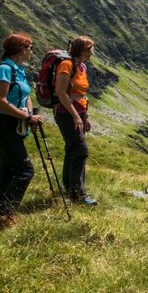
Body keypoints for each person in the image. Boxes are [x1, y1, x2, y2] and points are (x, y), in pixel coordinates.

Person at [0, 33, 44, 228]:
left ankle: (0, 213)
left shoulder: (18, 70)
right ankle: (8, 212)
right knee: (25, 171)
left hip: (14, 125)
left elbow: (25, 95)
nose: (32, 51)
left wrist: (30, 114)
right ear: (21, 49)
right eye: (30, 47)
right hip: (2, 125)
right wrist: (27, 117)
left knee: (8, 169)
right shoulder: (4, 70)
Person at [54, 36, 97, 206]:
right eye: (91, 48)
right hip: (66, 114)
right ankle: (78, 194)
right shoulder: (67, 65)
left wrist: (85, 115)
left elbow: (82, 93)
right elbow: (61, 92)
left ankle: (69, 189)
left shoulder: (82, 67)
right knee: (80, 151)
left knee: (72, 150)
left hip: (78, 113)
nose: (93, 52)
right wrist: (75, 115)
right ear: (84, 49)